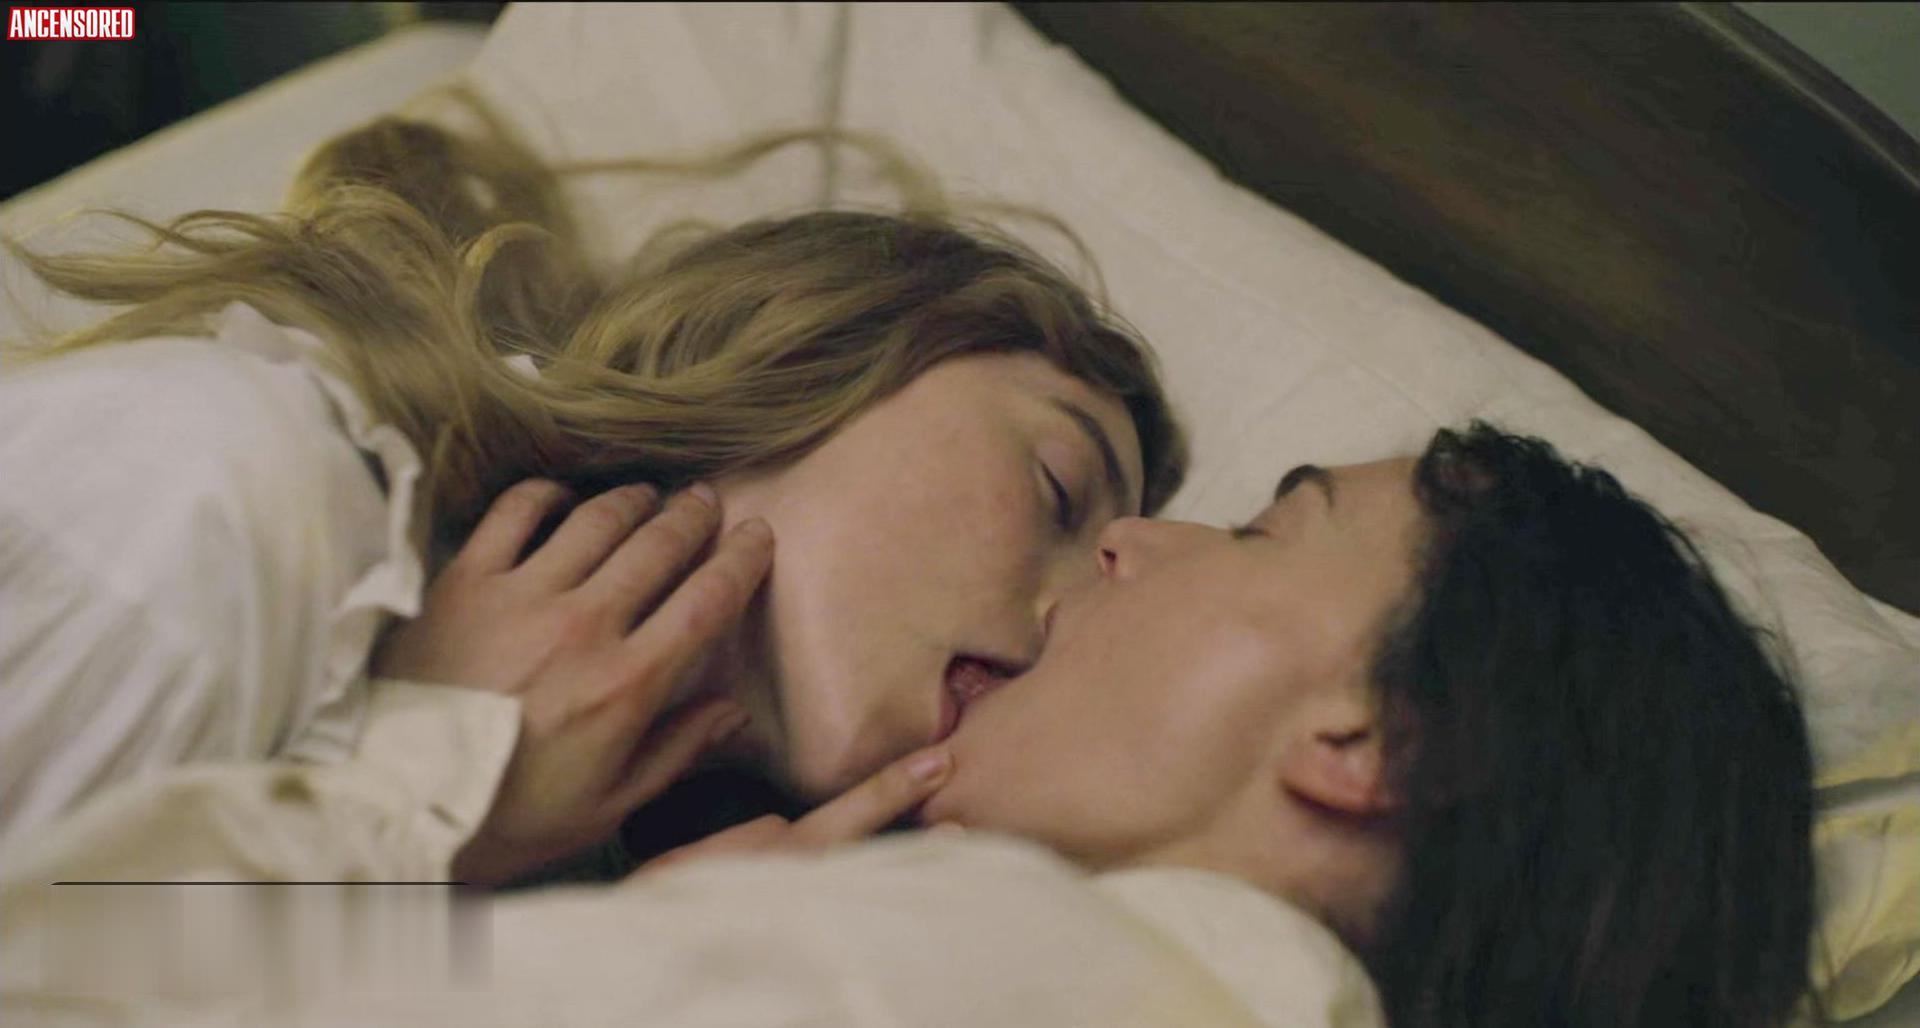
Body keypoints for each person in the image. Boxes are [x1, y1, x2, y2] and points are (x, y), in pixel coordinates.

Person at [0, 424, 1817, 1028]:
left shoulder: (1007, 971)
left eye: (1267, 532)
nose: (1133, 545)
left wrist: (431, 784)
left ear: (1379, 746)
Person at [0, 105, 1183, 882]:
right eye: (1058, 485)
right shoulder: (222, 497)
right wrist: (414, 803)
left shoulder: (618, 879)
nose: (1065, 622)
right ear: (821, 344)